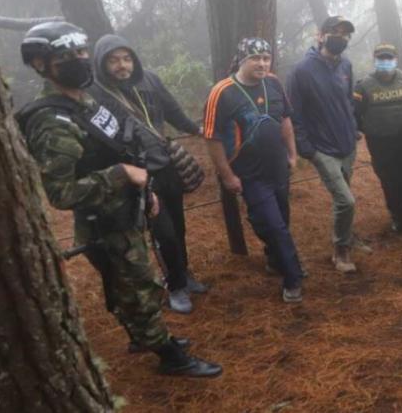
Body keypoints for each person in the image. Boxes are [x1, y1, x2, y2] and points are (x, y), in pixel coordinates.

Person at [16, 22, 221, 377]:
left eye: (81, 52)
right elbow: (60, 193)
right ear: (40, 64)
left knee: (126, 284)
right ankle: (168, 355)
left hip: (125, 208)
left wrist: (144, 189)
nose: (79, 60)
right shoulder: (52, 120)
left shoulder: (84, 100)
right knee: (140, 286)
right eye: (67, 56)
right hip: (104, 222)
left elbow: (120, 148)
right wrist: (122, 176)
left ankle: (143, 336)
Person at [89, 34, 207, 315]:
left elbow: (171, 109)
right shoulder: (96, 94)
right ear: (102, 63)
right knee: (162, 232)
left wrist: (196, 129)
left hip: (166, 166)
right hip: (138, 174)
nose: (122, 65)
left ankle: (184, 274)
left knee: (178, 227)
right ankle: (175, 286)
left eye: (126, 58)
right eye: (114, 60)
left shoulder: (149, 80)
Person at [204, 38, 304, 302]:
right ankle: (293, 277)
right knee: (273, 224)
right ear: (241, 60)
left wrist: (292, 155)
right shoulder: (222, 92)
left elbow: (285, 121)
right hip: (249, 173)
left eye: (266, 58)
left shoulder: (273, 83)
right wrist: (227, 175)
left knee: (281, 220)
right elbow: (212, 139)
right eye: (255, 58)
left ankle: (274, 259)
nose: (262, 63)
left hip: (278, 167)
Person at [288, 15, 370, 275]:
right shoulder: (301, 71)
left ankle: (347, 236)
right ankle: (340, 251)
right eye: (336, 32)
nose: (341, 38)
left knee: (344, 194)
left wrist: (354, 128)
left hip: (347, 143)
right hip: (322, 149)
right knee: (346, 200)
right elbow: (294, 114)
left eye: (346, 34)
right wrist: (306, 148)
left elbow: (347, 102)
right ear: (320, 35)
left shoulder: (345, 65)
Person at [354, 43, 402, 234]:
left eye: (389, 58)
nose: (385, 62)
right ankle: (398, 217)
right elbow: (355, 114)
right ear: (375, 60)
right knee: (389, 181)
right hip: (379, 142)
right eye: (381, 58)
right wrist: (366, 129)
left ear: (395, 60)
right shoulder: (363, 85)